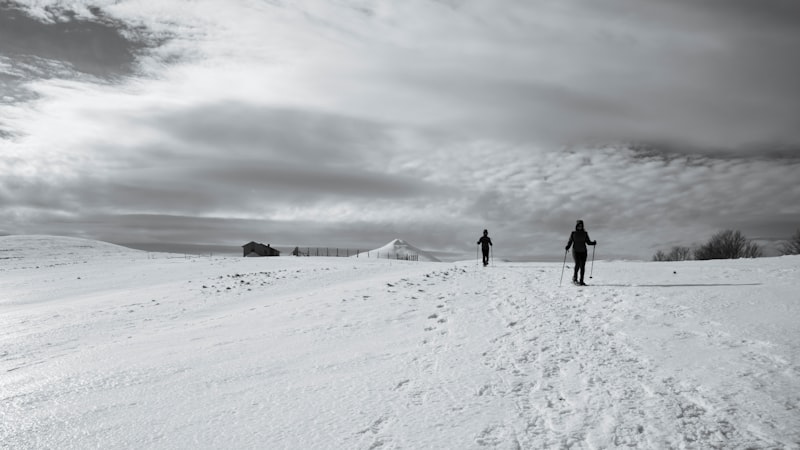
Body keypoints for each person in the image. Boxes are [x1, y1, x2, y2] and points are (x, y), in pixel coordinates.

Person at [565, 219, 596, 285]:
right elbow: (570, 241)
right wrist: (567, 246)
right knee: (577, 264)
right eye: (579, 226)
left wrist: (593, 243)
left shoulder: (585, 233)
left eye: (581, 226)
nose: (580, 227)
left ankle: (581, 281)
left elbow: (588, 242)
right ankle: (575, 279)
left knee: (582, 266)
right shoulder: (573, 233)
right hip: (575, 251)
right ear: (576, 226)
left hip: (583, 251)